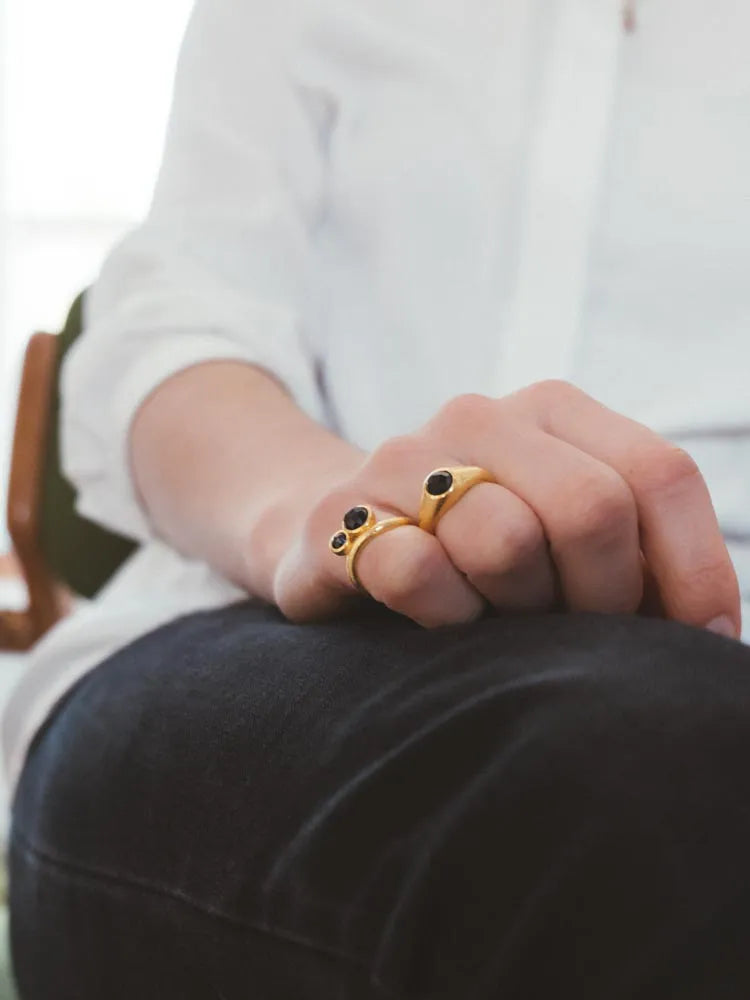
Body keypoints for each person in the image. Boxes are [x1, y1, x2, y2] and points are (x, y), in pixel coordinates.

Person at [5, 0, 750, 995]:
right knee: (656, 765)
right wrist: (329, 514)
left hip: (714, 683)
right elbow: (177, 328)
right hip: (261, 636)